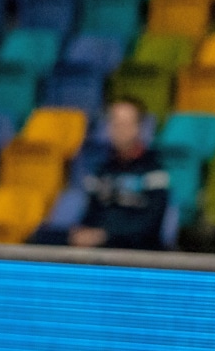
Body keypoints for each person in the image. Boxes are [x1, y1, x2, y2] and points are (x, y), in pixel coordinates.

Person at [67, 97, 171, 250]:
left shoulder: (155, 170)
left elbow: (151, 224)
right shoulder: (101, 170)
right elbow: (90, 214)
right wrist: (81, 233)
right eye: (115, 123)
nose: (119, 130)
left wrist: (105, 235)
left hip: (137, 252)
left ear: (139, 127)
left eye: (125, 124)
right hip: (100, 250)